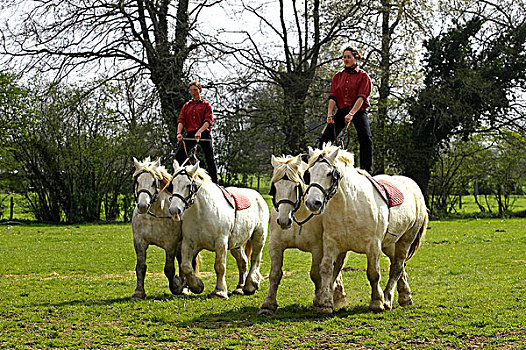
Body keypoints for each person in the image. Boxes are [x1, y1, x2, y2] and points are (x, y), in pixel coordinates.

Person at [318, 46, 373, 173]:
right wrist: (330, 115)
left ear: (356, 58)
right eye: (344, 57)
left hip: (358, 111)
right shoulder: (338, 76)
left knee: (366, 138)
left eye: (349, 57)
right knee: (325, 139)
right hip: (342, 110)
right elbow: (333, 96)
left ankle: (366, 171)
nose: (346, 59)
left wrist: (351, 114)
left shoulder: (363, 76)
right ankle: (321, 167)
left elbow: (362, 97)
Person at [175, 81, 219, 183]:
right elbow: (181, 120)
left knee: (209, 158)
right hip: (191, 134)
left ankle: (216, 182)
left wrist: (199, 131)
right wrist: (179, 133)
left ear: (200, 90)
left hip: (203, 133)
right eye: (191, 90)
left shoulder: (206, 105)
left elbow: (208, 121)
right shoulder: (186, 106)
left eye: (195, 90)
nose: (193, 92)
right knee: (179, 156)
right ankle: (187, 176)